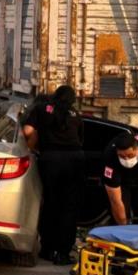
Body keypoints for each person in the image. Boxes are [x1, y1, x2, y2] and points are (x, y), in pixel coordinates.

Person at [22, 85, 85, 265]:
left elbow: (27, 131)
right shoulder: (75, 115)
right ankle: (63, 253)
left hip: (51, 160)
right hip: (74, 160)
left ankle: (47, 249)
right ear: (72, 100)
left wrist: (33, 145)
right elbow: (80, 140)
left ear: (55, 96)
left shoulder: (42, 109)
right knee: (69, 208)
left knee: (50, 204)